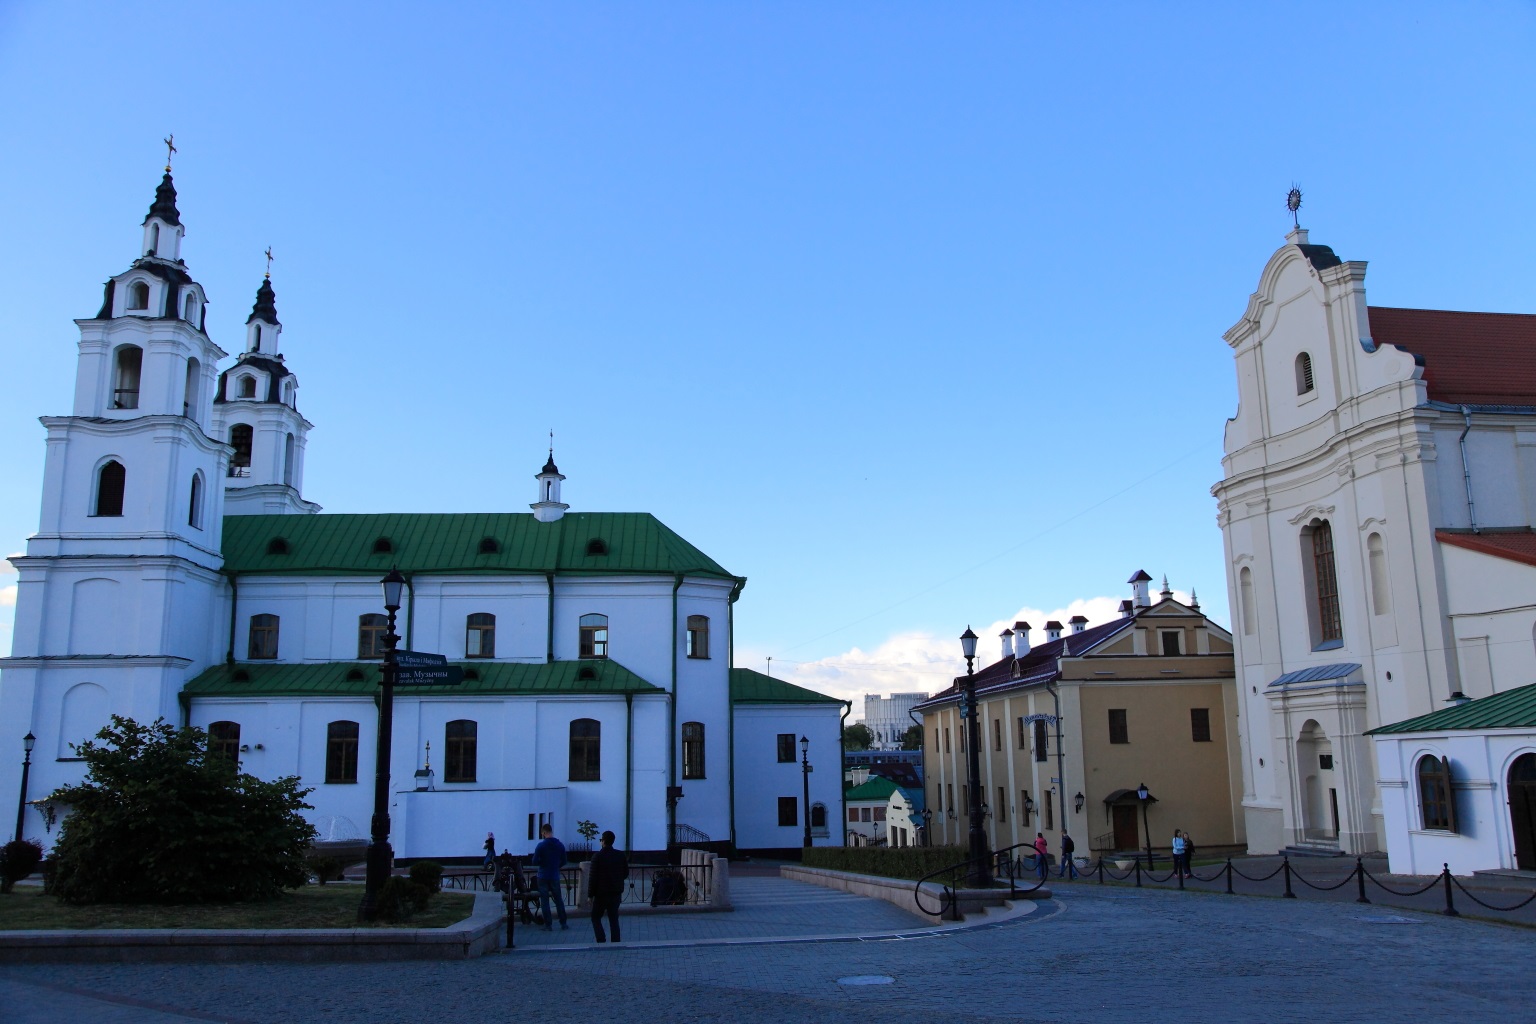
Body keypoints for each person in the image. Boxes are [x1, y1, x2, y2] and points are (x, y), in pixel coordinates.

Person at [587, 829, 629, 943]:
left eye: (601, 840)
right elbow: (625, 873)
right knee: (614, 919)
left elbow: (592, 878)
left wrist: (590, 895)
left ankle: (601, 939)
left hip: (601, 894)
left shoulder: (597, 857)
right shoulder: (620, 855)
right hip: (616, 892)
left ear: (603, 841)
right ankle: (616, 941)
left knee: (595, 917)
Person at [531, 823, 568, 930]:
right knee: (558, 899)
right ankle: (563, 923)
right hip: (555, 875)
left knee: (545, 901)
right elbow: (564, 861)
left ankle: (548, 924)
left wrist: (542, 862)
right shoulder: (560, 845)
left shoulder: (541, 846)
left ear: (543, 833)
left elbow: (534, 861)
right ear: (551, 832)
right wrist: (556, 866)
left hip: (542, 875)